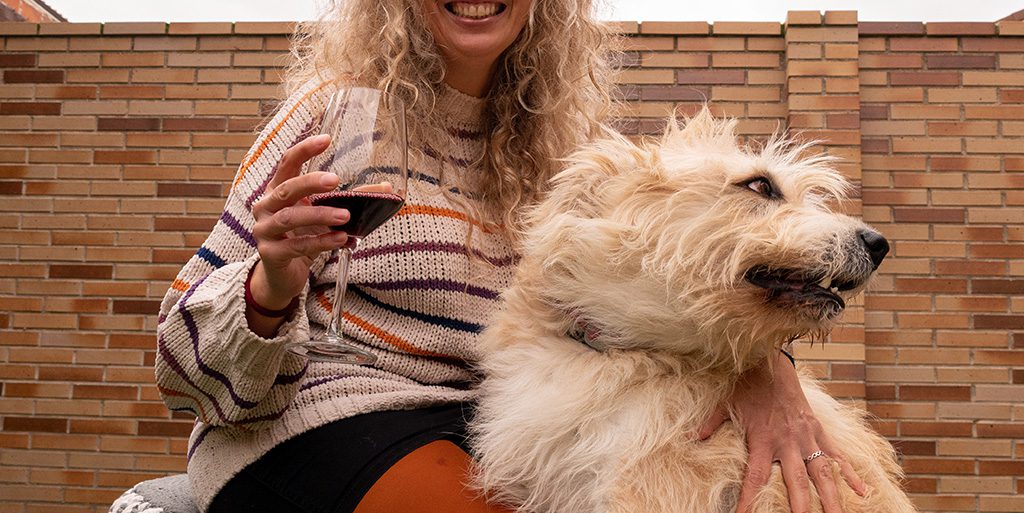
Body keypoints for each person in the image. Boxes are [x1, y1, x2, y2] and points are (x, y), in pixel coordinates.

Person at [155, 1, 866, 512]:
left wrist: (769, 368)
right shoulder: (332, 116)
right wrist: (272, 279)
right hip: (316, 419)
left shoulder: (565, 150)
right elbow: (181, 361)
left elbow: (682, 277)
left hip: (488, 424)